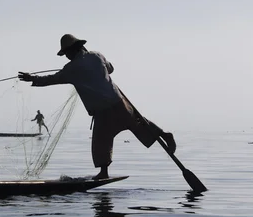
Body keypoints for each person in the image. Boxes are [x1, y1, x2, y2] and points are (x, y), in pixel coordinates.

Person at [18, 34, 176, 180]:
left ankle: (104, 172)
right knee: (139, 123)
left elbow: (52, 79)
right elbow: (111, 68)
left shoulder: (71, 69)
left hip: (103, 111)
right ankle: (164, 134)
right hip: (119, 102)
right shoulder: (97, 55)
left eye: (67, 52)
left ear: (73, 50)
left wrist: (33, 78)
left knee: (101, 141)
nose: (66, 56)